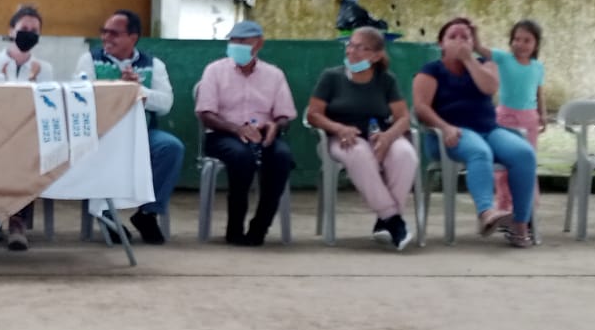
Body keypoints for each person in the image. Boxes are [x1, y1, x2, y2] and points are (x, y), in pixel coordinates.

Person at [412, 17, 537, 247]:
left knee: (524, 153)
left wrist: (468, 60)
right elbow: (421, 108)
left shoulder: (485, 64)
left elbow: (489, 87)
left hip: (488, 129)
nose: (459, 41)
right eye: (453, 36)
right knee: (480, 151)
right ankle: (486, 212)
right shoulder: (431, 70)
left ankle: (520, 225)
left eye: (465, 37)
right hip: (450, 133)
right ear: (441, 44)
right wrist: (445, 127)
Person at [73, 10, 183, 244]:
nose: (106, 37)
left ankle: (148, 214)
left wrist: (137, 90)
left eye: (114, 33)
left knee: (171, 148)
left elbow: (165, 104)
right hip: (102, 134)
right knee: (98, 151)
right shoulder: (89, 61)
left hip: (141, 133)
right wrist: (118, 87)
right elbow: (81, 96)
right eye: (104, 32)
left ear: (133, 37)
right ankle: (107, 217)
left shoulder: (154, 65)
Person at [305, 27, 417, 250]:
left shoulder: (386, 80)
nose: (351, 51)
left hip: (380, 134)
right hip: (342, 139)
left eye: (360, 47)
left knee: (405, 154)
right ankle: (393, 220)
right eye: (350, 45)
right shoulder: (331, 77)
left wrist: (388, 136)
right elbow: (313, 114)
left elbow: (403, 118)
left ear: (376, 56)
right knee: (360, 153)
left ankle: (384, 222)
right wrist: (338, 128)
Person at [195, 20, 296, 246]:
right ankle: (235, 228)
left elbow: (284, 115)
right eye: (233, 40)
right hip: (223, 133)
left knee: (281, 157)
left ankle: (260, 227)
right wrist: (236, 129)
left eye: (242, 41)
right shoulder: (214, 71)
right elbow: (206, 113)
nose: (236, 45)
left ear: (258, 44)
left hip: (263, 134)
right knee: (241, 157)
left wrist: (275, 126)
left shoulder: (274, 75)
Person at [0, 4, 55, 251]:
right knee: (7, 151)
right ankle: (2, 216)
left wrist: (31, 80)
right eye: (24, 28)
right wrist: (7, 80)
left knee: (27, 151)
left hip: (28, 134)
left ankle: (13, 220)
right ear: (11, 30)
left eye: (34, 30)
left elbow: (44, 105)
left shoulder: (44, 68)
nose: (29, 33)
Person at [482, 20, 545, 214]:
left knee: (528, 162)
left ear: (536, 44)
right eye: (517, 39)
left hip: (530, 121)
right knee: (503, 166)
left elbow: (539, 91)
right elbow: (482, 51)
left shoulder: (538, 67)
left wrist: (542, 114)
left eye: (527, 40)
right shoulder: (503, 59)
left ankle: (526, 208)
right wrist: (472, 36)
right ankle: (504, 206)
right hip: (505, 119)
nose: (521, 44)